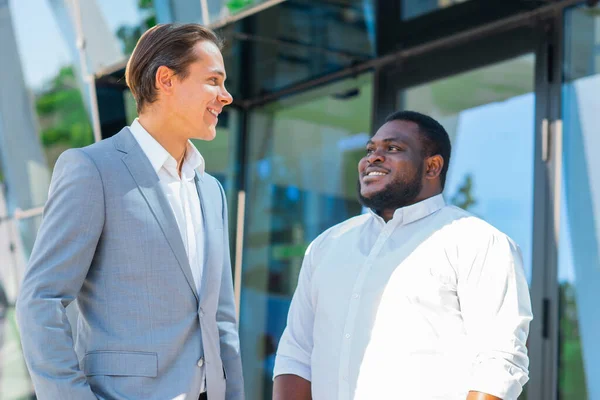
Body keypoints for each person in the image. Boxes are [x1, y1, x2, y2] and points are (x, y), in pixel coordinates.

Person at [16, 23, 244, 400]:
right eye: (213, 80)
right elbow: (41, 301)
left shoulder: (211, 191)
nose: (226, 96)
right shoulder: (92, 170)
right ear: (167, 80)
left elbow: (221, 320)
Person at [272, 111, 532, 400]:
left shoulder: (478, 242)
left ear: (432, 167)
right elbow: (296, 353)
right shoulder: (326, 246)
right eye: (370, 149)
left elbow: (499, 360)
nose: (373, 157)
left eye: (393, 149)